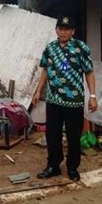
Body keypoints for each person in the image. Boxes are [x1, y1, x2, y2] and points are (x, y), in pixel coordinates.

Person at [32, 16, 98, 182]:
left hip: (73, 101)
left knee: (73, 136)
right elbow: (45, 70)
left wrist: (92, 96)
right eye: (60, 28)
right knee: (52, 135)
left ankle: (72, 168)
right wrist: (38, 91)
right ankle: (53, 165)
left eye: (67, 29)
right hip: (53, 100)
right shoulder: (50, 48)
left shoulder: (81, 48)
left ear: (73, 31)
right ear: (56, 30)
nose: (63, 32)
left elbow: (89, 72)